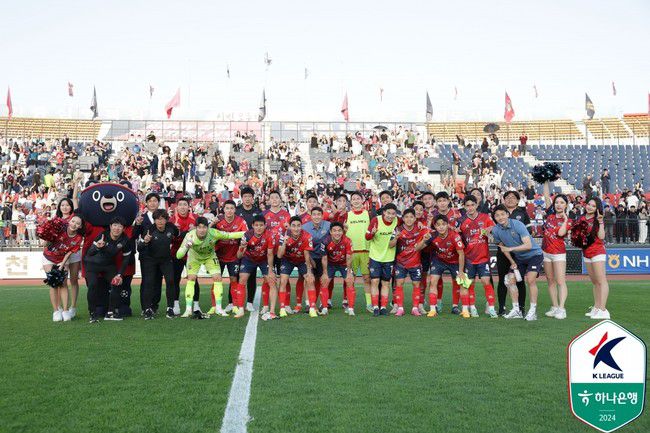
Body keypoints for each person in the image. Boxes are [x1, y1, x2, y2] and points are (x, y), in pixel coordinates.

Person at [175, 217, 245, 319]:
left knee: (217, 277)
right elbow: (178, 255)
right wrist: (186, 246)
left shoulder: (213, 233)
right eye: (199, 227)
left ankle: (218, 308)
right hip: (194, 258)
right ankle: (188, 310)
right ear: (195, 228)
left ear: (208, 228)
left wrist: (248, 233)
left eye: (204, 227)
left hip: (209, 257)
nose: (202, 230)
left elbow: (230, 235)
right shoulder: (189, 236)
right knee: (191, 278)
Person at [491, 205, 544, 321]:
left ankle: (532, 311)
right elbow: (503, 248)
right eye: (497, 215)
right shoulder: (495, 230)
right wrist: (512, 261)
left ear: (507, 214)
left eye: (502, 214)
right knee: (509, 279)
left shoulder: (518, 224)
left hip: (534, 255)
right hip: (519, 258)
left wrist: (511, 249)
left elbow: (528, 245)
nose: (500, 217)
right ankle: (516, 310)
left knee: (530, 279)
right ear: (494, 218)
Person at [84, 217, 134, 323]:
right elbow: (89, 253)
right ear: (110, 226)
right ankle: (92, 313)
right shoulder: (102, 235)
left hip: (108, 265)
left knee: (117, 283)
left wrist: (119, 275)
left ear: (123, 228)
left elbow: (126, 260)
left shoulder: (125, 240)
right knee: (93, 285)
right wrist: (97, 247)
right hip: (93, 264)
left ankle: (111, 312)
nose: (117, 228)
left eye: (120, 226)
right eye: (115, 225)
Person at [458, 195, 497, 318]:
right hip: (469, 259)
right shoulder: (461, 221)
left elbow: (494, 228)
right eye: (467, 206)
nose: (470, 208)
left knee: (486, 281)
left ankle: (491, 308)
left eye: (472, 205)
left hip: (483, 257)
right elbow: (456, 234)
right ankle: (472, 308)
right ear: (464, 207)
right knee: (470, 283)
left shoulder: (485, 217)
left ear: (476, 205)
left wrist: (489, 230)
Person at [137, 209, 179, 320]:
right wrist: (145, 241)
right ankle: (147, 309)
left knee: (170, 281)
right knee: (149, 283)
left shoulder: (171, 227)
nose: (160, 221)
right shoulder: (149, 230)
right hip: (151, 260)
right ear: (154, 220)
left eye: (162, 219)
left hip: (166, 260)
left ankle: (170, 308)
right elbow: (139, 248)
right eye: (157, 219)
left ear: (166, 220)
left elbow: (179, 235)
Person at [424, 215, 468, 318]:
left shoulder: (455, 236)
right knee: (433, 281)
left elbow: (461, 254)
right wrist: (424, 240)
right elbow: (418, 248)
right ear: (435, 226)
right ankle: (433, 309)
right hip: (439, 260)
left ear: (447, 225)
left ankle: (464, 310)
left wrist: (461, 272)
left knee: (462, 282)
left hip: (454, 261)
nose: (441, 227)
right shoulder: (432, 235)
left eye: (443, 224)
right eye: (438, 225)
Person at [495, 190, 531, 316]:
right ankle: (502, 308)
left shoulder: (522, 213)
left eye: (513, 197)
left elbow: (529, 232)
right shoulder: (498, 212)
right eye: (507, 197)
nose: (510, 199)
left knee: (519, 280)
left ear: (517, 200)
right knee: (502, 280)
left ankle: (521, 308)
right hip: (503, 252)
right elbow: (495, 232)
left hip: (519, 253)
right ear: (504, 200)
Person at [42, 215, 84, 322]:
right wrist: (46, 238)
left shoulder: (78, 238)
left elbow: (69, 253)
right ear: (69, 221)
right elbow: (45, 243)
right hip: (49, 257)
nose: (74, 224)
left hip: (62, 259)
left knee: (63, 283)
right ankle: (56, 311)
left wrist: (61, 265)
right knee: (53, 283)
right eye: (73, 221)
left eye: (78, 223)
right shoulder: (60, 228)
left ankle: (65, 311)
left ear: (80, 226)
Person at [236, 215, 276, 320]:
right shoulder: (247, 235)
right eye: (256, 225)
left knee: (271, 280)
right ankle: (240, 308)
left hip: (264, 259)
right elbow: (239, 256)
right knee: (242, 279)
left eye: (261, 225)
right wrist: (242, 247)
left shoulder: (270, 235)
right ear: (253, 225)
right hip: (249, 259)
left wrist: (270, 271)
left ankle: (269, 309)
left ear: (265, 226)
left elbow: (270, 254)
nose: (259, 227)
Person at [541, 183, 572, 319]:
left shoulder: (569, 220)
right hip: (546, 252)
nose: (559, 205)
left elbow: (560, 233)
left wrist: (564, 220)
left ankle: (561, 308)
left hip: (558, 253)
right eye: (557, 202)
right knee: (550, 280)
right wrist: (545, 181)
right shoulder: (550, 216)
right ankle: (554, 306)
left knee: (560, 281)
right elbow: (546, 196)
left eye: (562, 203)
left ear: (566, 205)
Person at [213, 200, 249, 314]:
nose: (229, 210)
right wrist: (212, 223)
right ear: (223, 209)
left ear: (235, 210)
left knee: (234, 279)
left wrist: (242, 243)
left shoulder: (241, 221)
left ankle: (234, 305)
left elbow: (247, 234)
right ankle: (214, 306)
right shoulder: (218, 221)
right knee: (216, 280)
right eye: (227, 208)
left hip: (234, 256)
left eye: (232, 208)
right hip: (219, 255)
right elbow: (207, 232)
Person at [277, 216, 316, 317]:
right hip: (287, 260)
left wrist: (309, 272)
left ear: (301, 226)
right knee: (283, 280)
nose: (296, 228)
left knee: (310, 279)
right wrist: (284, 243)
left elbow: (307, 254)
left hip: (302, 259)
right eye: (293, 226)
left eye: (298, 226)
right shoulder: (283, 235)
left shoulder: (307, 236)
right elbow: (279, 255)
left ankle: (312, 308)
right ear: (290, 227)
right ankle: (282, 308)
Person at [393, 208, 428, 317]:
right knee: (399, 283)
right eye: (406, 217)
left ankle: (415, 308)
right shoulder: (398, 229)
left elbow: (427, 237)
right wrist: (396, 238)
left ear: (415, 218)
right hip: (401, 262)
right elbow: (390, 245)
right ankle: (400, 308)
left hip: (415, 262)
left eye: (411, 217)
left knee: (416, 284)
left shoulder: (420, 229)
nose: (409, 219)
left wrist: (425, 239)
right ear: (403, 218)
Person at [261, 190, 291, 315]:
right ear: (269, 200)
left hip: (282, 252)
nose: (274, 199)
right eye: (272, 197)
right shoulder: (263, 214)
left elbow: (290, 231)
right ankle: (265, 305)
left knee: (285, 278)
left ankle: (286, 304)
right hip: (268, 251)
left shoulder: (286, 215)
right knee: (267, 279)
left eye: (276, 197)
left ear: (280, 200)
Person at [366, 203, 399, 316]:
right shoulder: (376, 220)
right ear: (384, 212)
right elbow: (367, 237)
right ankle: (375, 307)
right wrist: (372, 233)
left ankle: (383, 307)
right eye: (388, 213)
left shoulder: (397, 221)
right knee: (374, 281)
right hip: (375, 256)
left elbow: (408, 222)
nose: (390, 216)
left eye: (393, 214)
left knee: (386, 282)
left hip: (389, 257)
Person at [580, 198, 610, 319]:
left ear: (597, 208)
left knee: (601, 280)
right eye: (589, 204)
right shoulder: (581, 218)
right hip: (586, 253)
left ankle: (603, 310)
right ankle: (596, 307)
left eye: (593, 206)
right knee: (595, 282)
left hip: (597, 251)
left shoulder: (598, 219)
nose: (590, 207)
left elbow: (601, 237)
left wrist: (601, 222)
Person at [342, 191, 373, 312]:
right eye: (353, 199)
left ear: (362, 200)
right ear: (351, 202)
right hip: (351, 252)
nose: (356, 201)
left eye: (358, 198)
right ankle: (350, 304)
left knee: (367, 278)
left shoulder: (368, 214)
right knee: (351, 279)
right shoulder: (347, 215)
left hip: (366, 250)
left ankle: (369, 304)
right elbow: (342, 232)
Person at [170, 196, 199, 316]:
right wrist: (178, 232)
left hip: (192, 255)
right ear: (177, 207)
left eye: (185, 205)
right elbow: (171, 238)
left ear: (189, 207)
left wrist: (195, 230)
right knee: (175, 279)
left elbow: (202, 234)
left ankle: (196, 305)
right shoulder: (172, 220)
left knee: (193, 279)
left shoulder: (195, 218)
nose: (182, 207)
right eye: (180, 205)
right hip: (176, 254)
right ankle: (175, 304)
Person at [235, 187, 262, 309]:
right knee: (236, 276)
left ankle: (250, 303)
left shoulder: (258, 211)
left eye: (249, 196)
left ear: (253, 198)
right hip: (238, 247)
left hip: (253, 249)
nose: (247, 198)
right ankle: (233, 302)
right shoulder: (237, 211)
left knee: (251, 276)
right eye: (245, 196)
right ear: (242, 198)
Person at [55, 197, 82, 318]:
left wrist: (75, 186)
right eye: (62, 205)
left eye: (67, 205)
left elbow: (75, 198)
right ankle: (60, 307)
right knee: (61, 281)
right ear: (59, 207)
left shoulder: (74, 218)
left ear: (71, 207)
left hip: (74, 252)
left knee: (74, 280)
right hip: (60, 254)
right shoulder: (56, 220)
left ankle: (73, 307)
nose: (65, 207)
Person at [321, 222, 355, 315]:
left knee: (350, 281)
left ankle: (351, 309)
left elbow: (349, 257)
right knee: (324, 281)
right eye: (334, 231)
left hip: (344, 264)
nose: (337, 233)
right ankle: (324, 308)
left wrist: (349, 272)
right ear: (330, 232)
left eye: (339, 231)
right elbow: (324, 258)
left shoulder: (347, 240)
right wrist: (324, 273)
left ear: (342, 232)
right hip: (330, 264)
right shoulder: (325, 241)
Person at [302, 206, 331, 312]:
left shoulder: (328, 225)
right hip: (309, 256)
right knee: (308, 279)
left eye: (319, 214)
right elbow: (304, 247)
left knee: (323, 280)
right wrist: (310, 260)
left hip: (324, 257)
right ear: (310, 216)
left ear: (322, 216)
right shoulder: (305, 227)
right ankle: (308, 304)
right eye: (314, 214)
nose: (316, 217)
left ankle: (322, 304)